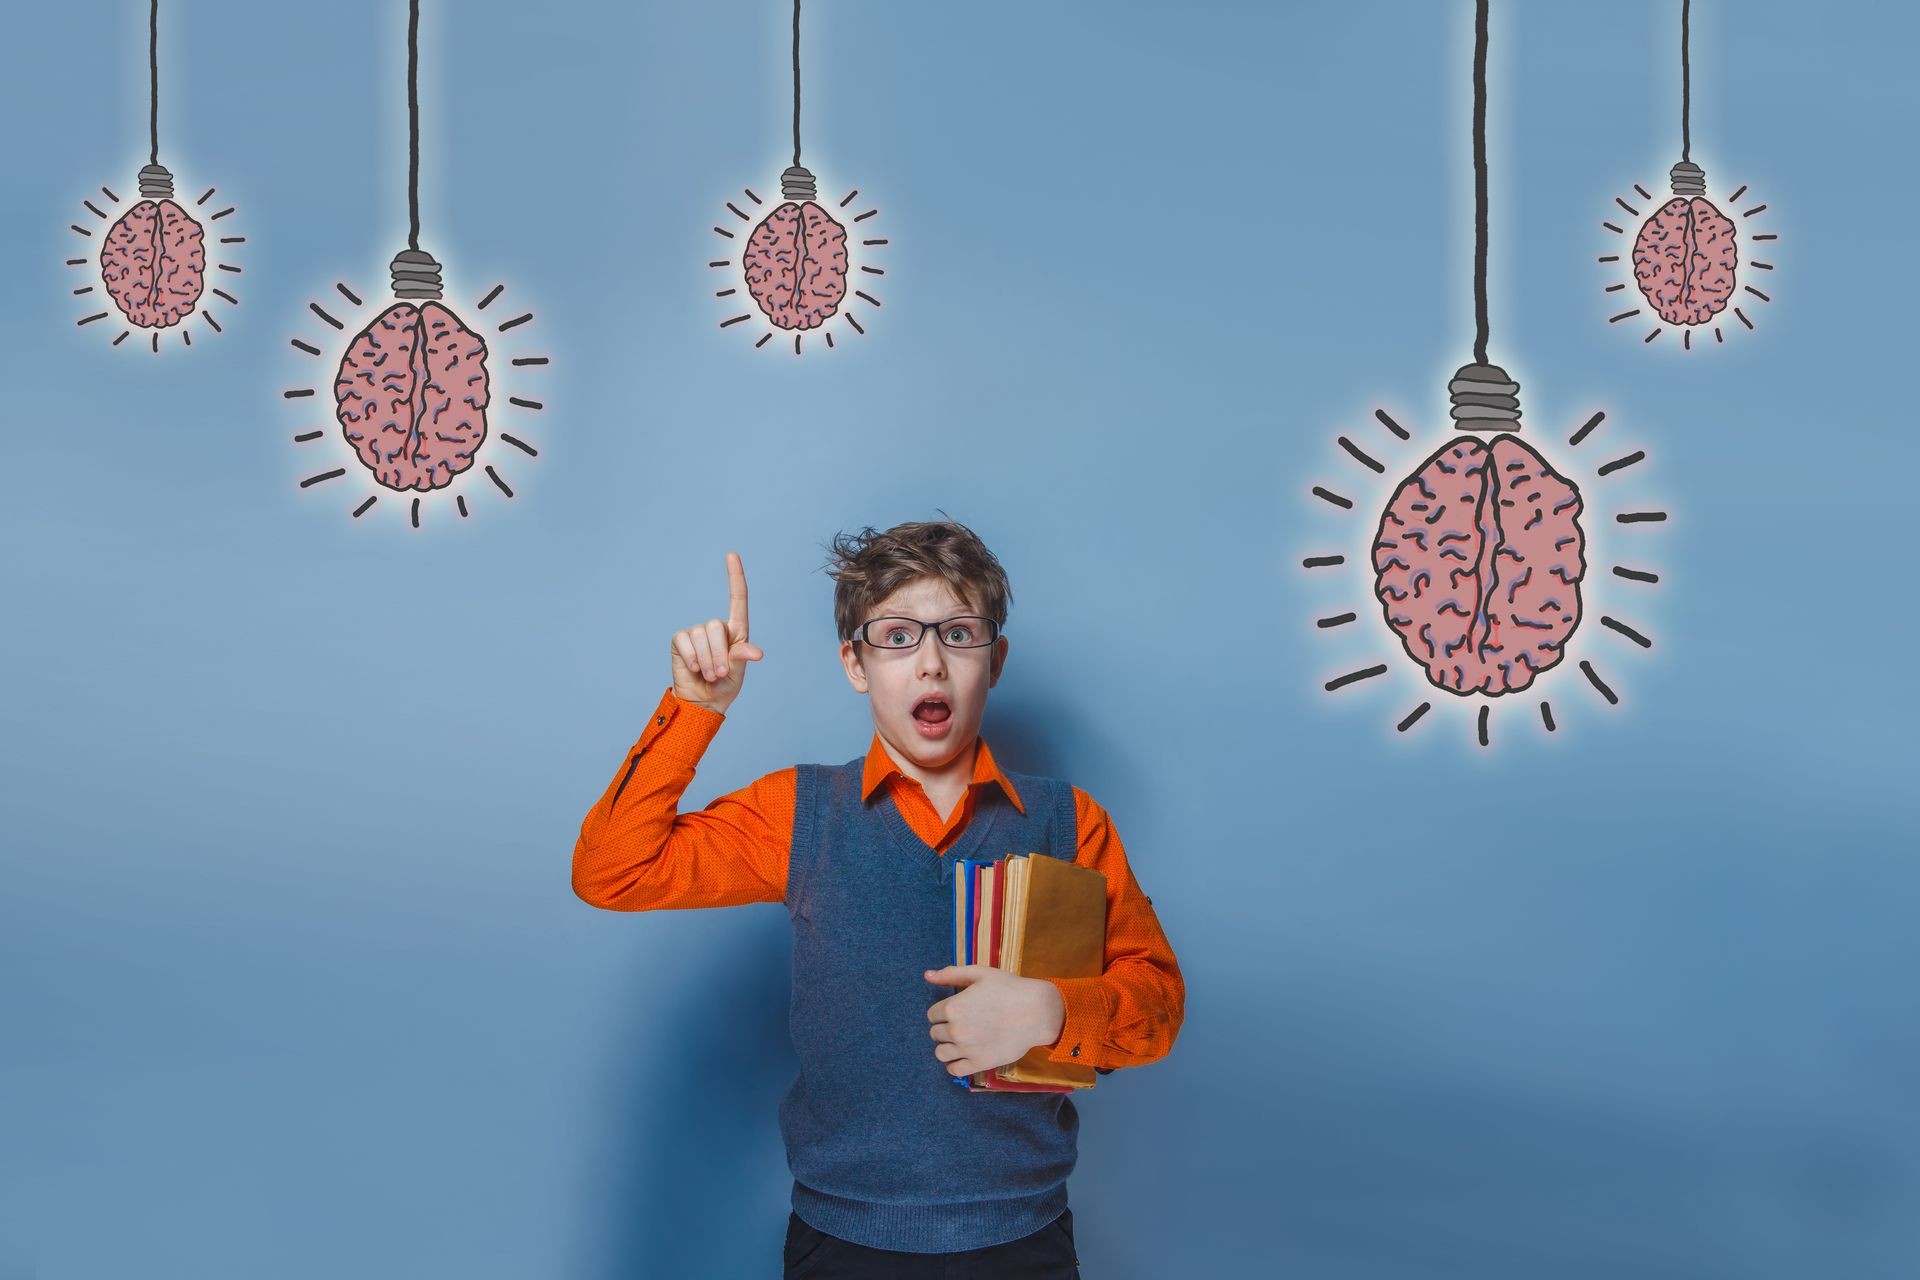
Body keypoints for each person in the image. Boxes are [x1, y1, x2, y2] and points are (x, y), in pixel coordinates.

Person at [572, 519, 1185, 1278]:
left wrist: (1054, 1012)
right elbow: (613, 871)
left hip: (1023, 1243)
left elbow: (1158, 1004)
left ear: (994, 661)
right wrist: (694, 707)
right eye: (896, 637)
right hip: (843, 1244)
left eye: (959, 634)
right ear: (855, 664)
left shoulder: (1072, 820)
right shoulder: (800, 815)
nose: (930, 663)